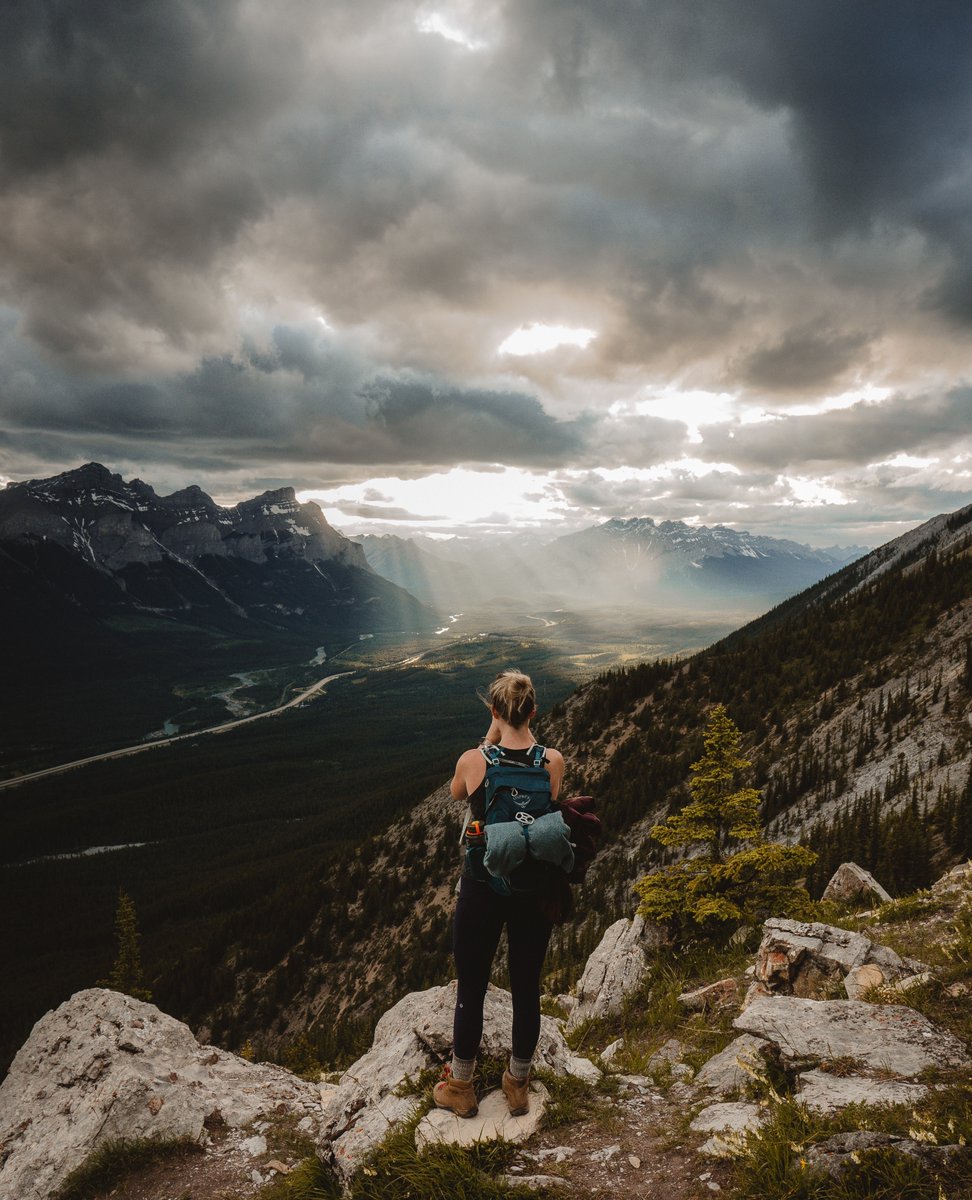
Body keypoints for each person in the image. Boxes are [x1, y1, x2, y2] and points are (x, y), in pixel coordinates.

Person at [433, 669, 565, 1120]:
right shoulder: (553, 760)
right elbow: (548, 805)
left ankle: (462, 1086)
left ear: (494, 711)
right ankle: (518, 1083)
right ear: (534, 710)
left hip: (483, 886)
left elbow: (456, 793)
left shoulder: (474, 760)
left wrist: (488, 735)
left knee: (472, 985)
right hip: (532, 888)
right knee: (527, 987)